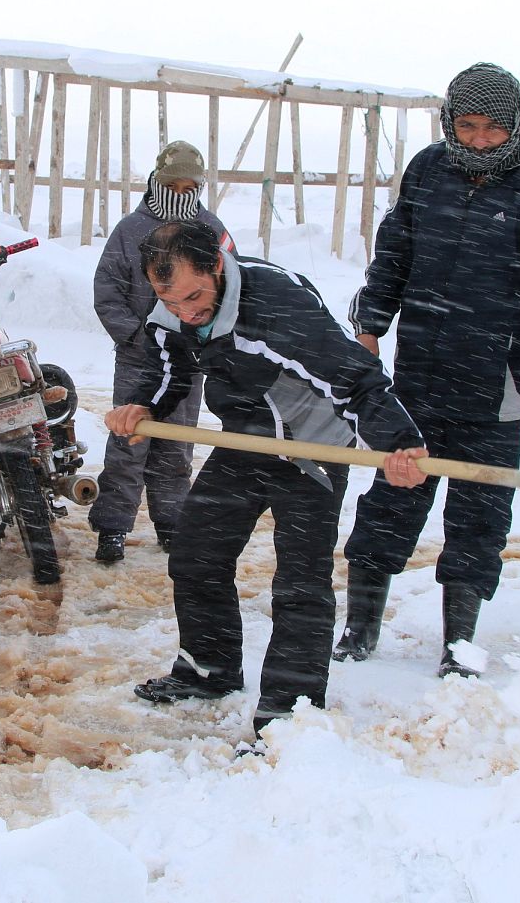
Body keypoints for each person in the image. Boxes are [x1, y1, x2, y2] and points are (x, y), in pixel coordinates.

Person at [107, 221, 428, 742]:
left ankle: (290, 709)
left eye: (193, 295)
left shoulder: (277, 305)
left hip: (312, 445)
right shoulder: (172, 306)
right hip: (248, 435)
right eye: (169, 296)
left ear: (217, 265)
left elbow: (355, 378)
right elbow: (170, 367)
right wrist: (144, 403)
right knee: (197, 554)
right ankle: (209, 670)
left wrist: (398, 442)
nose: (185, 310)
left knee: (300, 579)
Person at [338, 62, 520, 676]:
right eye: (467, 126)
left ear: (515, 123)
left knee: (479, 514)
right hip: (418, 380)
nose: (480, 139)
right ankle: (359, 626)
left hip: (499, 388)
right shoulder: (428, 172)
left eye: (492, 127)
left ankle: (459, 642)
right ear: (449, 124)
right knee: (392, 495)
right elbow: (394, 252)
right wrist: (370, 325)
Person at [91, 141, 231, 563]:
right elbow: (107, 290)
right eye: (175, 183)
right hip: (139, 359)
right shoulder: (131, 230)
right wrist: (135, 336)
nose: (182, 192)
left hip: (188, 361)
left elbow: (228, 289)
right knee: (128, 444)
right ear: (158, 180)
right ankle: (113, 528)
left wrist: (201, 339)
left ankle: (173, 525)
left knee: (175, 448)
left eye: (191, 185)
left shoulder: (212, 228)